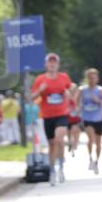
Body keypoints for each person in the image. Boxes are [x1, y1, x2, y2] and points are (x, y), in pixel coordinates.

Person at [31, 52, 73, 185]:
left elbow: (70, 93)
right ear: (46, 64)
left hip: (62, 113)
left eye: (54, 62)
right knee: (52, 144)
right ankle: (53, 171)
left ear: (58, 64)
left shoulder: (64, 77)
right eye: (50, 62)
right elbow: (32, 97)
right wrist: (40, 90)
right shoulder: (40, 79)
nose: (52, 64)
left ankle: (61, 167)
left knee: (59, 139)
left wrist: (67, 93)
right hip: (47, 115)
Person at [75, 68, 102, 174]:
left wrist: (100, 104)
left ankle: (97, 161)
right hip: (87, 117)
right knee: (91, 138)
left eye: (94, 78)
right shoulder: (82, 90)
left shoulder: (100, 90)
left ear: (97, 79)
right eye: (90, 78)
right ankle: (90, 158)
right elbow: (76, 100)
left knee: (98, 142)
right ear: (87, 79)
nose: (92, 80)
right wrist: (78, 108)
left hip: (98, 118)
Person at [66, 84, 82, 157]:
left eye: (74, 89)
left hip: (76, 118)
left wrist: (78, 109)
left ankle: (75, 144)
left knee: (76, 130)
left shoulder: (78, 98)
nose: (72, 91)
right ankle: (70, 143)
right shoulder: (66, 98)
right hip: (67, 118)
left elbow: (81, 105)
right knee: (69, 132)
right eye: (71, 89)